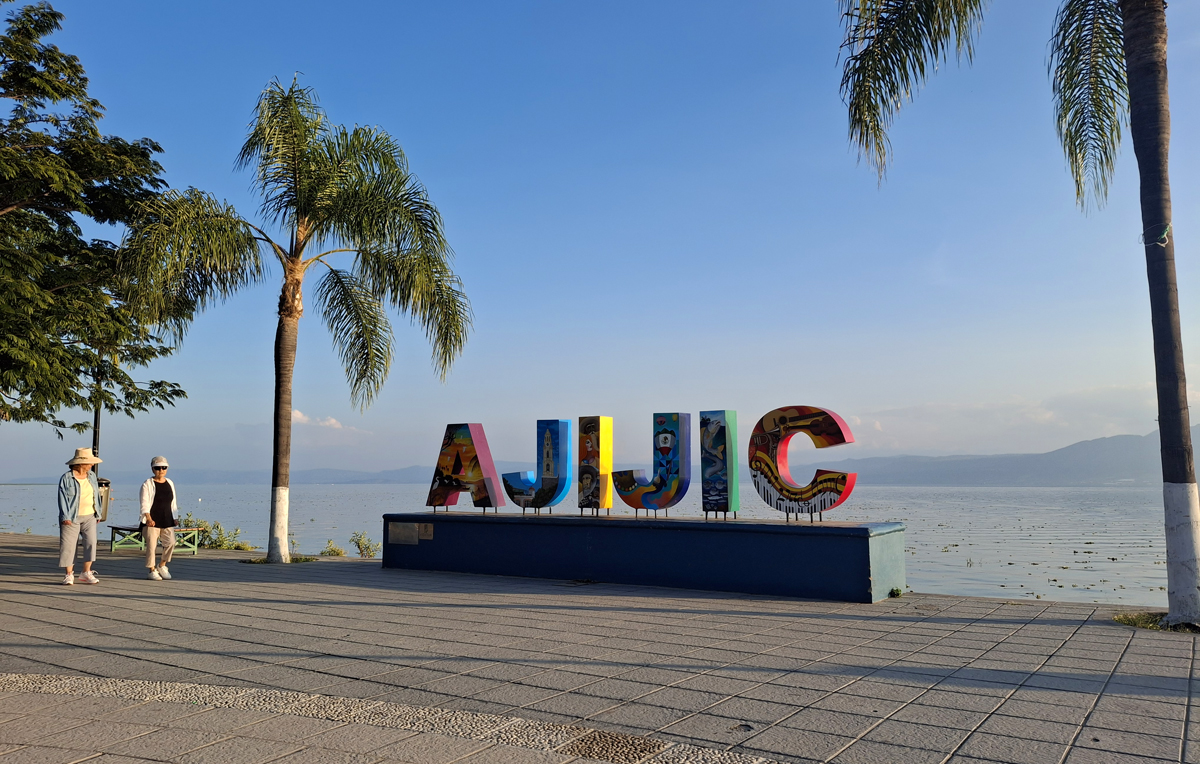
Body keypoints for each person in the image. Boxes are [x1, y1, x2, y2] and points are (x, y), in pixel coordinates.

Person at [58, 447, 102, 585]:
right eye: (89, 462)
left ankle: (86, 572)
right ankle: (69, 574)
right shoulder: (67, 478)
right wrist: (65, 516)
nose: (92, 465)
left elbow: (96, 495)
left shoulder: (92, 476)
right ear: (80, 463)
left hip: (90, 515)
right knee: (69, 546)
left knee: (91, 543)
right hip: (71, 517)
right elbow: (62, 498)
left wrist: (98, 512)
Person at [139, 456, 178, 581]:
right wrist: (148, 518)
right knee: (151, 545)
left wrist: (175, 517)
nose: (160, 470)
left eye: (163, 467)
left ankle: (162, 565)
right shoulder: (147, 484)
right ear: (152, 469)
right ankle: (151, 570)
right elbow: (144, 503)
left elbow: (173, 502)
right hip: (152, 521)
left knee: (171, 542)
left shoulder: (170, 483)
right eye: (157, 468)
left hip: (167, 519)